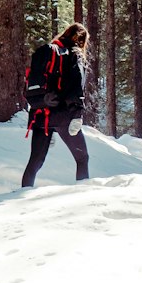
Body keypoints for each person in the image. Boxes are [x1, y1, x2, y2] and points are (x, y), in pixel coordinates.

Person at [21, 22, 90, 189]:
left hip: (40, 115)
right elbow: (76, 85)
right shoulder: (75, 54)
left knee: (35, 161)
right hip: (63, 115)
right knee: (82, 158)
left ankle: (21, 195)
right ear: (80, 40)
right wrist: (77, 114)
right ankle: (85, 196)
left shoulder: (49, 51)